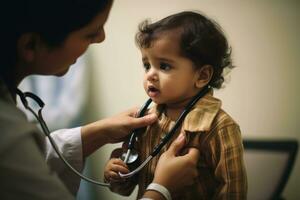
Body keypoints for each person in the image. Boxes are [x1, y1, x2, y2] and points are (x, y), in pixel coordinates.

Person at [0, 1, 200, 199]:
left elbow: (33, 161)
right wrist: (160, 189)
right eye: (90, 33)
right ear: (30, 45)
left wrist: (98, 133)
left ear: (202, 76)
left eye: (164, 66)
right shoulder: (7, 132)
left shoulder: (215, 125)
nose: (101, 38)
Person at [104, 11, 248, 199]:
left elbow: (233, 193)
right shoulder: (144, 121)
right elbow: (125, 188)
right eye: (147, 65)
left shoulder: (219, 127)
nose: (150, 75)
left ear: (202, 76)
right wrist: (117, 174)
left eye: (164, 66)